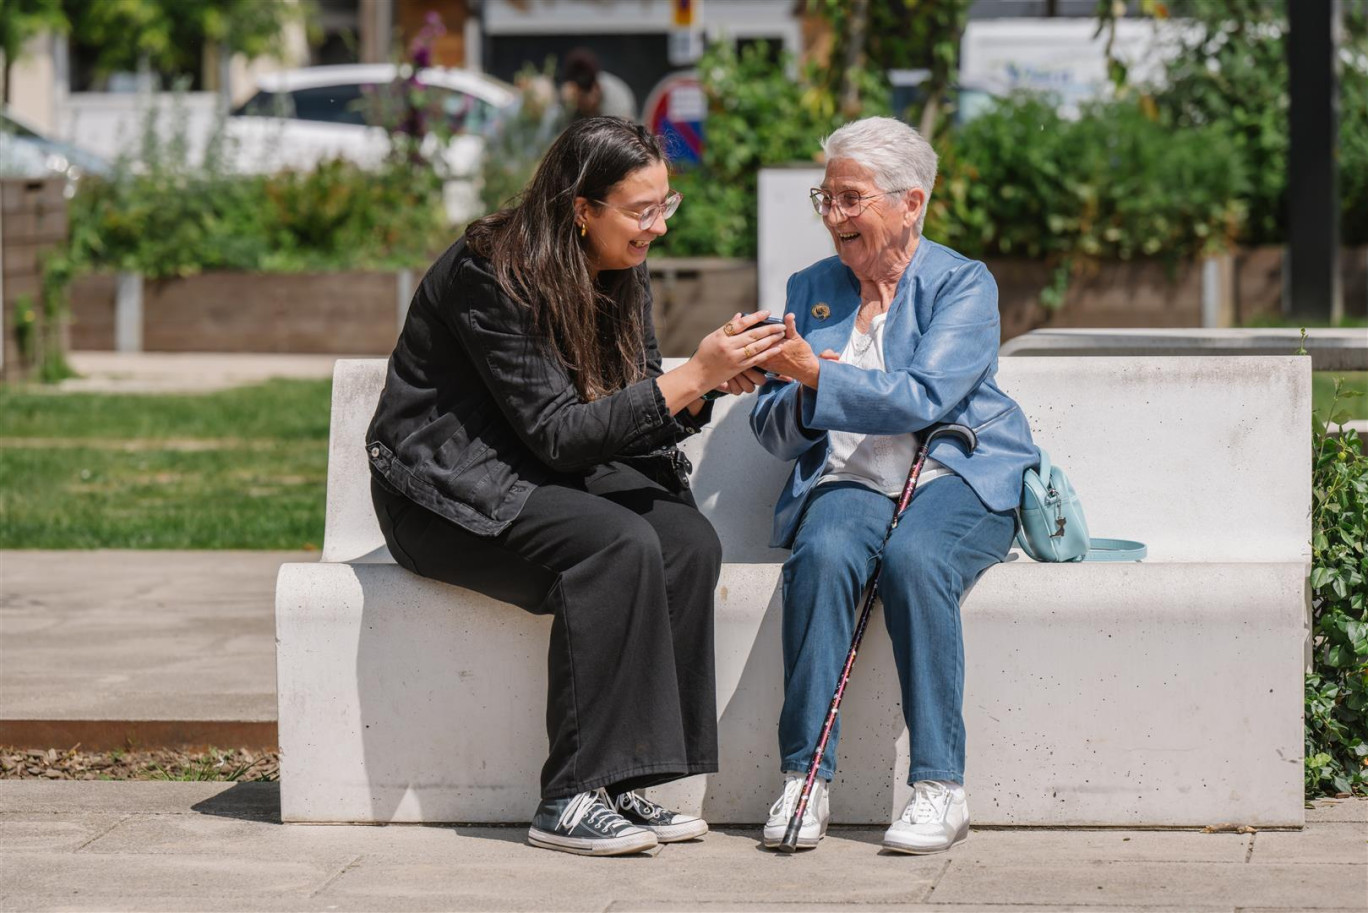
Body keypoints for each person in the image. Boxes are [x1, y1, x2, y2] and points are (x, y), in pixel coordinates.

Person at [366, 116, 785, 856]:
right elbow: (559, 431)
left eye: (666, 205)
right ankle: (568, 795)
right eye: (641, 210)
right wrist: (692, 376)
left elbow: (630, 401)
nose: (657, 226)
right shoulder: (489, 272)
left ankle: (627, 782)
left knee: (686, 541)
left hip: (542, 473)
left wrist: (707, 385)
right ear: (580, 209)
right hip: (444, 488)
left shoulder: (621, 265)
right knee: (616, 545)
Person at [749, 116, 1036, 854]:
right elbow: (771, 426)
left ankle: (940, 786)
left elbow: (923, 397)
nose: (834, 215)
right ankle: (805, 777)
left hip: (958, 472)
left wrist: (819, 373)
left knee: (916, 559)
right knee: (824, 554)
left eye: (851, 198)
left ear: (910, 203)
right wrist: (798, 389)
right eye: (827, 197)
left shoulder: (961, 284)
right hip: (853, 475)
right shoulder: (810, 289)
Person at [561, 47, 638, 121]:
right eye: (576, 95)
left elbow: (622, 131)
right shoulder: (567, 100)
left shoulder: (617, 100)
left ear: (597, 88)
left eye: (583, 95)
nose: (580, 100)